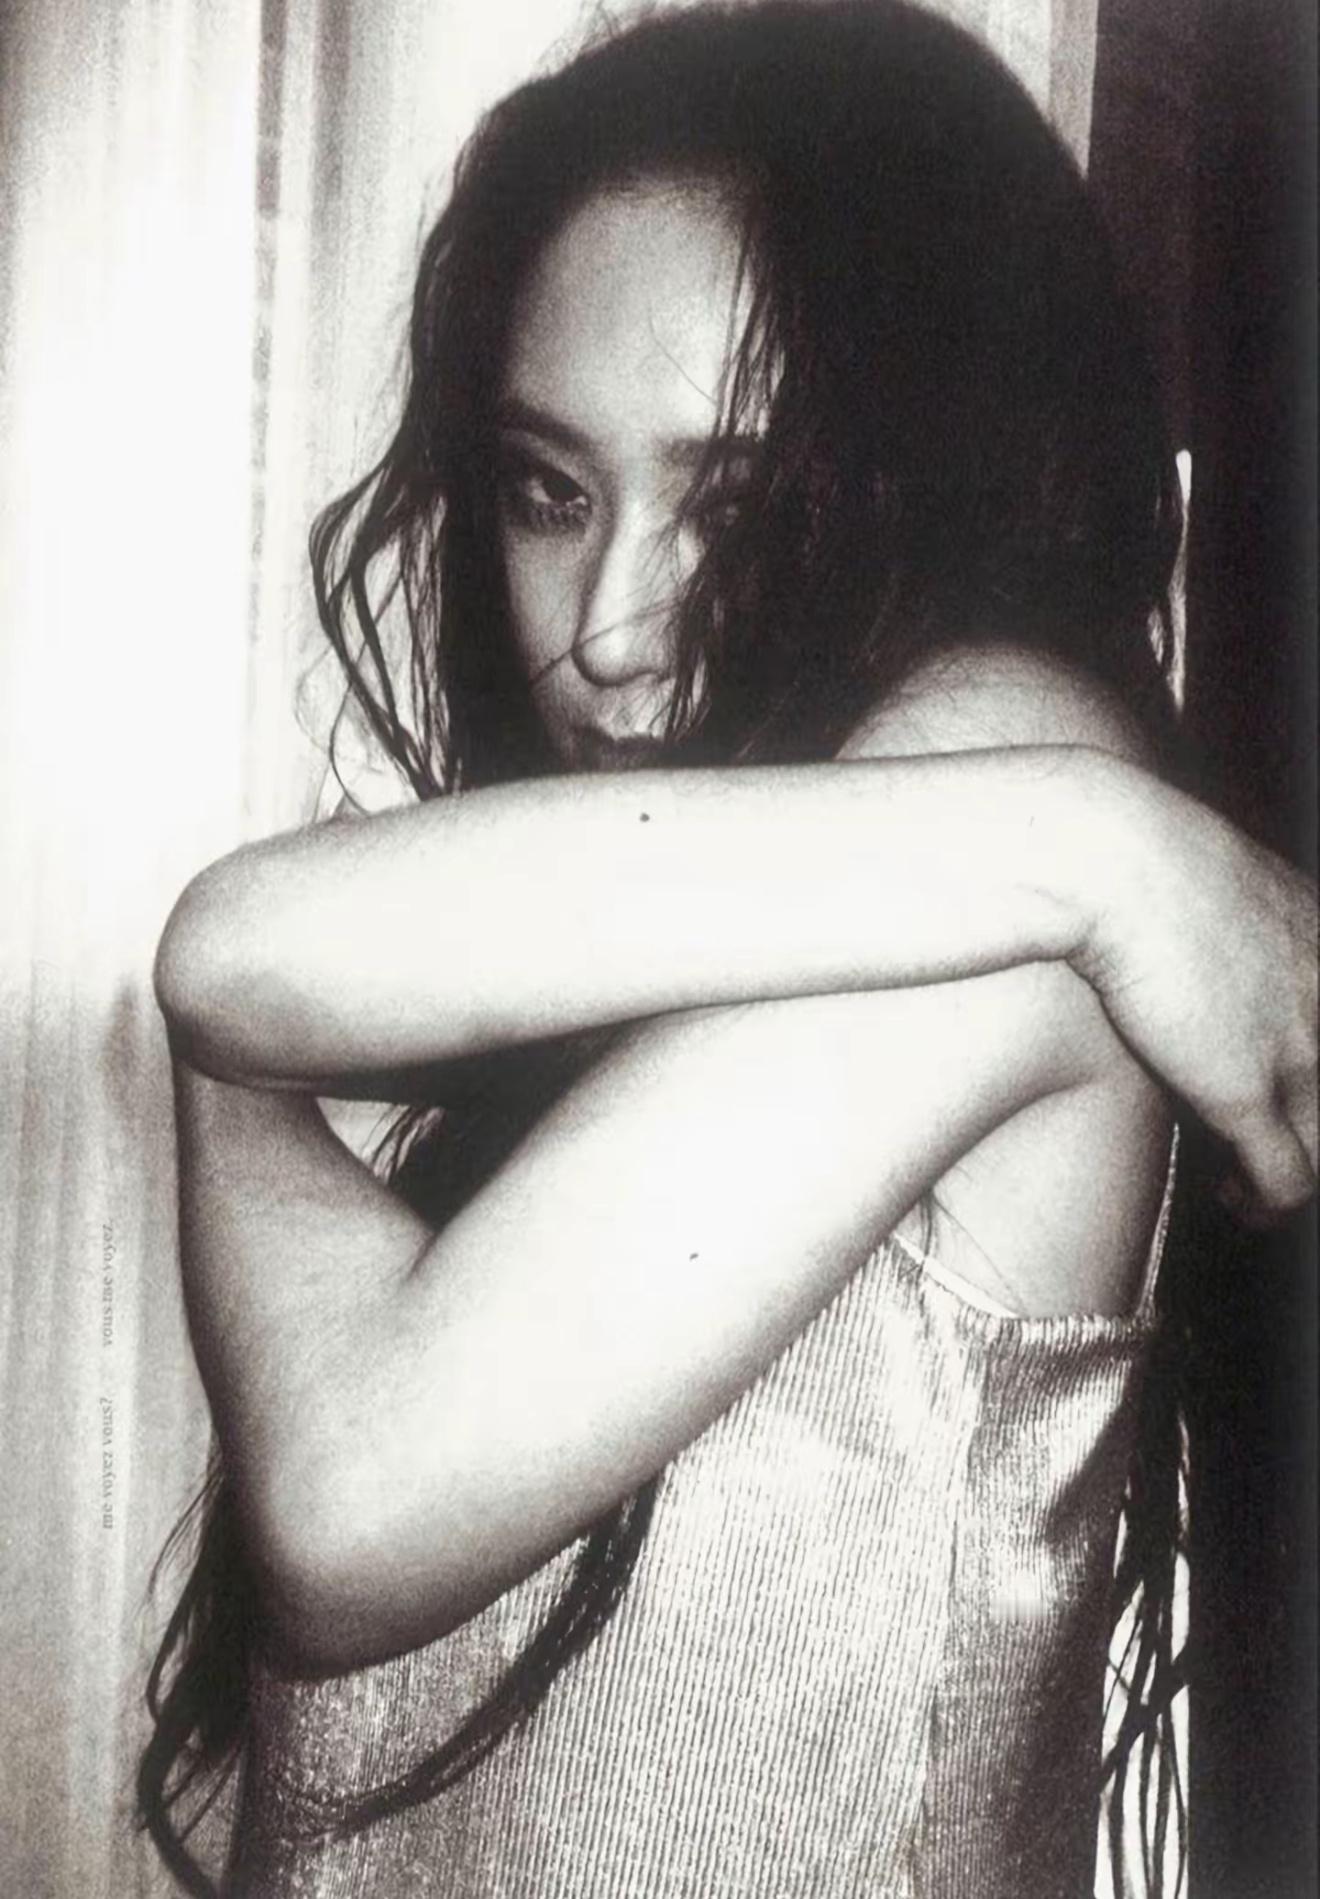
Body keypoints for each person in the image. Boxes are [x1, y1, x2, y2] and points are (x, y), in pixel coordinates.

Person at [137, 4, 1317, 1895]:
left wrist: (1076, 831)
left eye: (738, 503)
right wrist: (1092, 853)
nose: (608, 628)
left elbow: (352, 1499)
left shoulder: (1006, 749)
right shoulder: (987, 859)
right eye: (548, 490)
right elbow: (233, 962)